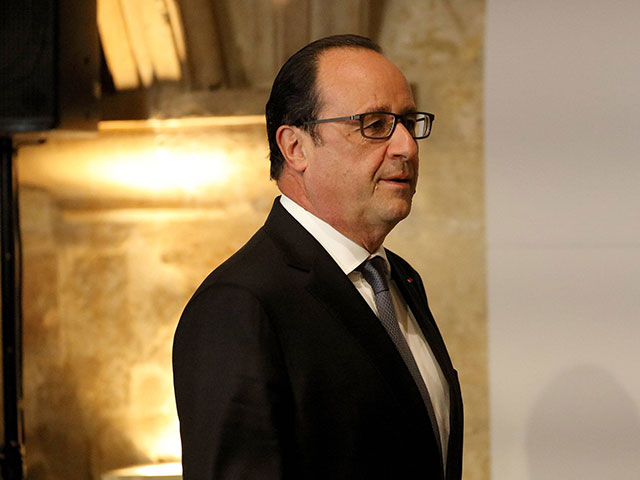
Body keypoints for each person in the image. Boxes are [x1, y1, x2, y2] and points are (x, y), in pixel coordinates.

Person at [173, 34, 463, 479]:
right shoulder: (240, 305)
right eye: (374, 124)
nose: (406, 147)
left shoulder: (398, 278)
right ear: (295, 147)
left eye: (408, 122)